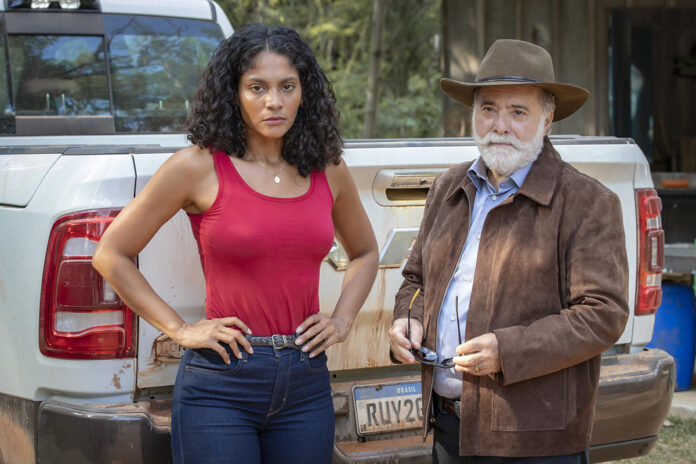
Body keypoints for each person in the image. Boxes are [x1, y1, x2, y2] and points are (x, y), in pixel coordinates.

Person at [93, 23, 378, 464]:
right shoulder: (198, 166)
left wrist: (341, 320)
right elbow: (110, 254)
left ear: (305, 92)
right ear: (234, 92)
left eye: (287, 86)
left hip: (306, 380)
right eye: (257, 87)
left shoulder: (328, 168)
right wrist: (181, 329)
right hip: (221, 383)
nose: (274, 101)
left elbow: (364, 251)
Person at [388, 39, 629, 463]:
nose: (500, 125)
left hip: (535, 437)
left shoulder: (588, 202)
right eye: (488, 109)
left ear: (548, 119)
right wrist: (407, 318)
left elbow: (603, 313)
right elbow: (416, 280)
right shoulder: (448, 187)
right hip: (450, 427)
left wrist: (508, 351)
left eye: (518, 112)